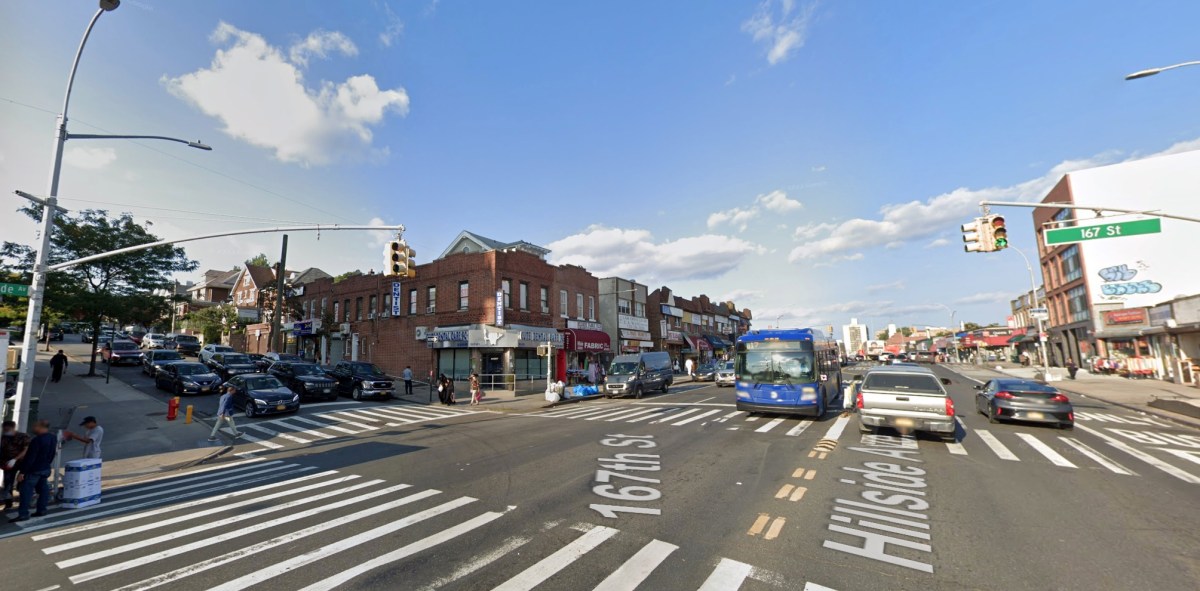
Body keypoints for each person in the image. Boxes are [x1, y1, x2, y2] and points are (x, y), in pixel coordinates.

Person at [10, 420, 55, 523]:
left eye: (35, 426)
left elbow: (30, 457)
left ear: (41, 427)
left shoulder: (36, 440)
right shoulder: (52, 437)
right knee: (44, 490)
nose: (34, 428)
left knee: (26, 491)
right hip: (45, 468)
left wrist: (22, 472)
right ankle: (42, 510)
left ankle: (23, 514)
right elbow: (52, 453)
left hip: (34, 470)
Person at [1, 420, 31, 511]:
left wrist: (15, 459)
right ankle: (8, 503)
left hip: (22, 462)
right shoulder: (4, 437)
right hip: (8, 464)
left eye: (8, 429)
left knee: (23, 482)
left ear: (14, 428)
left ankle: (24, 502)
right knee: (8, 484)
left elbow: (26, 450)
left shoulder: (23, 436)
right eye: (5, 430)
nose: (6, 431)